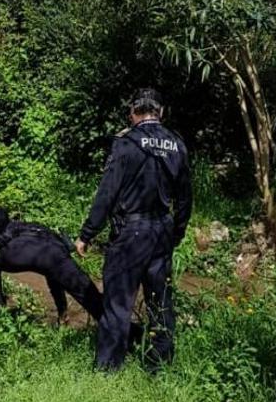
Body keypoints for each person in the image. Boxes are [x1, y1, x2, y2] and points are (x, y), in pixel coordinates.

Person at [75, 88, 192, 371]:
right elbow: (185, 197)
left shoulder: (126, 143)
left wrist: (87, 233)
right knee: (160, 302)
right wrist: (177, 232)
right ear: (161, 112)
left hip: (131, 232)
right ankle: (159, 366)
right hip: (162, 230)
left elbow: (108, 193)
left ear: (132, 112)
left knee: (118, 302)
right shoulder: (177, 144)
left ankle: (107, 369)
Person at [0, 204, 104, 322]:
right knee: (89, 295)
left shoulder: (9, 230)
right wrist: (62, 311)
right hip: (51, 252)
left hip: (15, 253)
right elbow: (55, 280)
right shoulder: (51, 238)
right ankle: (110, 326)